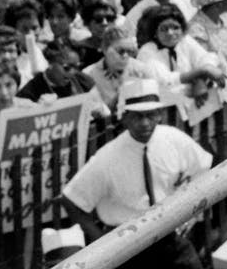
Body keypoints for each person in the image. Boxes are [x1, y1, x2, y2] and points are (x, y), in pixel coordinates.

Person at [62, 79, 210, 269]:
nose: (145, 123)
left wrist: (192, 213)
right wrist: (101, 244)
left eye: (150, 115)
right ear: (124, 117)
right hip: (127, 245)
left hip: (169, 236)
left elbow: (203, 169)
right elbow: (71, 200)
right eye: (137, 116)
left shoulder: (174, 140)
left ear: (159, 114)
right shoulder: (108, 157)